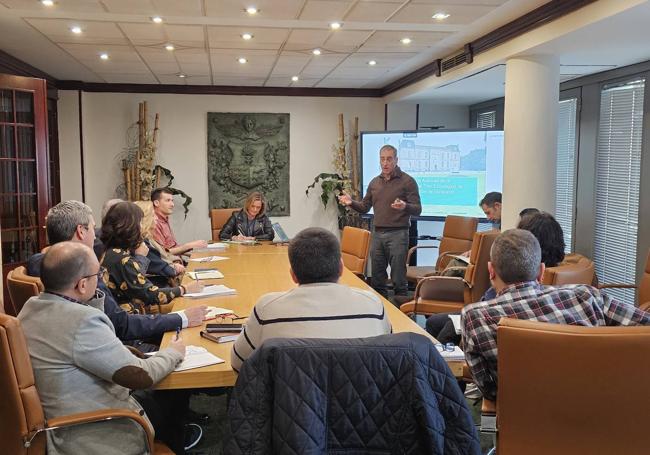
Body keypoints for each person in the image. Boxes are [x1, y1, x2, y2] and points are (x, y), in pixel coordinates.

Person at [19, 242, 187, 454]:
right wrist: (174, 352)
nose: (101, 280)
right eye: (98, 275)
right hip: (97, 431)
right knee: (175, 393)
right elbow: (140, 376)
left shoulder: (30, 307)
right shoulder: (81, 321)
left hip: (61, 422)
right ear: (81, 285)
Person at [461, 229, 650, 401]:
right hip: (607, 418)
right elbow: (644, 328)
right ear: (541, 271)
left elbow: (490, 389)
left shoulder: (476, 316)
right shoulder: (586, 296)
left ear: (491, 270)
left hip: (528, 426)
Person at [27, 200, 207, 350]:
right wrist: (181, 317)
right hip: (119, 345)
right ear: (81, 231)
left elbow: (37, 260)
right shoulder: (83, 274)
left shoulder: (51, 269)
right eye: (92, 228)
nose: (97, 235)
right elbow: (122, 325)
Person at [231, 227, 392, 371]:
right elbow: (390, 355)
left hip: (290, 403)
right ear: (342, 268)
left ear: (293, 275)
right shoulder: (373, 304)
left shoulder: (267, 309)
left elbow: (238, 362)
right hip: (365, 401)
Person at [426, 211, 566, 344]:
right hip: (496, 315)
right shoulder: (568, 279)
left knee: (446, 327)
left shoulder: (519, 272)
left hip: (495, 315)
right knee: (435, 321)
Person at [338, 145, 421, 297]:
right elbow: (364, 207)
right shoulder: (374, 183)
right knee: (377, 279)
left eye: (389, 159)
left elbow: (418, 209)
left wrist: (405, 206)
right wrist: (351, 202)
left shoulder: (407, 182)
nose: (385, 163)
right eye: (382, 159)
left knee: (398, 279)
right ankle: (380, 315)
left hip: (398, 234)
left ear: (396, 160)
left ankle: (402, 318)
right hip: (377, 234)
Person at [101, 201, 203, 311]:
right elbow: (149, 294)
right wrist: (185, 289)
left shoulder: (110, 252)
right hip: (133, 318)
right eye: (139, 223)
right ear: (130, 227)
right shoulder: (123, 259)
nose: (141, 227)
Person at [134, 200, 185, 286]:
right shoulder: (141, 243)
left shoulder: (146, 238)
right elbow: (164, 268)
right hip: (159, 287)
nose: (156, 218)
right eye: (153, 215)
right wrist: (174, 267)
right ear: (145, 219)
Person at [151, 187, 208, 255]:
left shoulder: (164, 220)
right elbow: (162, 254)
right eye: (168, 200)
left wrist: (193, 252)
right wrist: (188, 246)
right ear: (156, 203)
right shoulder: (154, 223)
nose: (172, 204)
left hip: (178, 261)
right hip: (171, 264)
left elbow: (172, 248)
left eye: (172, 200)